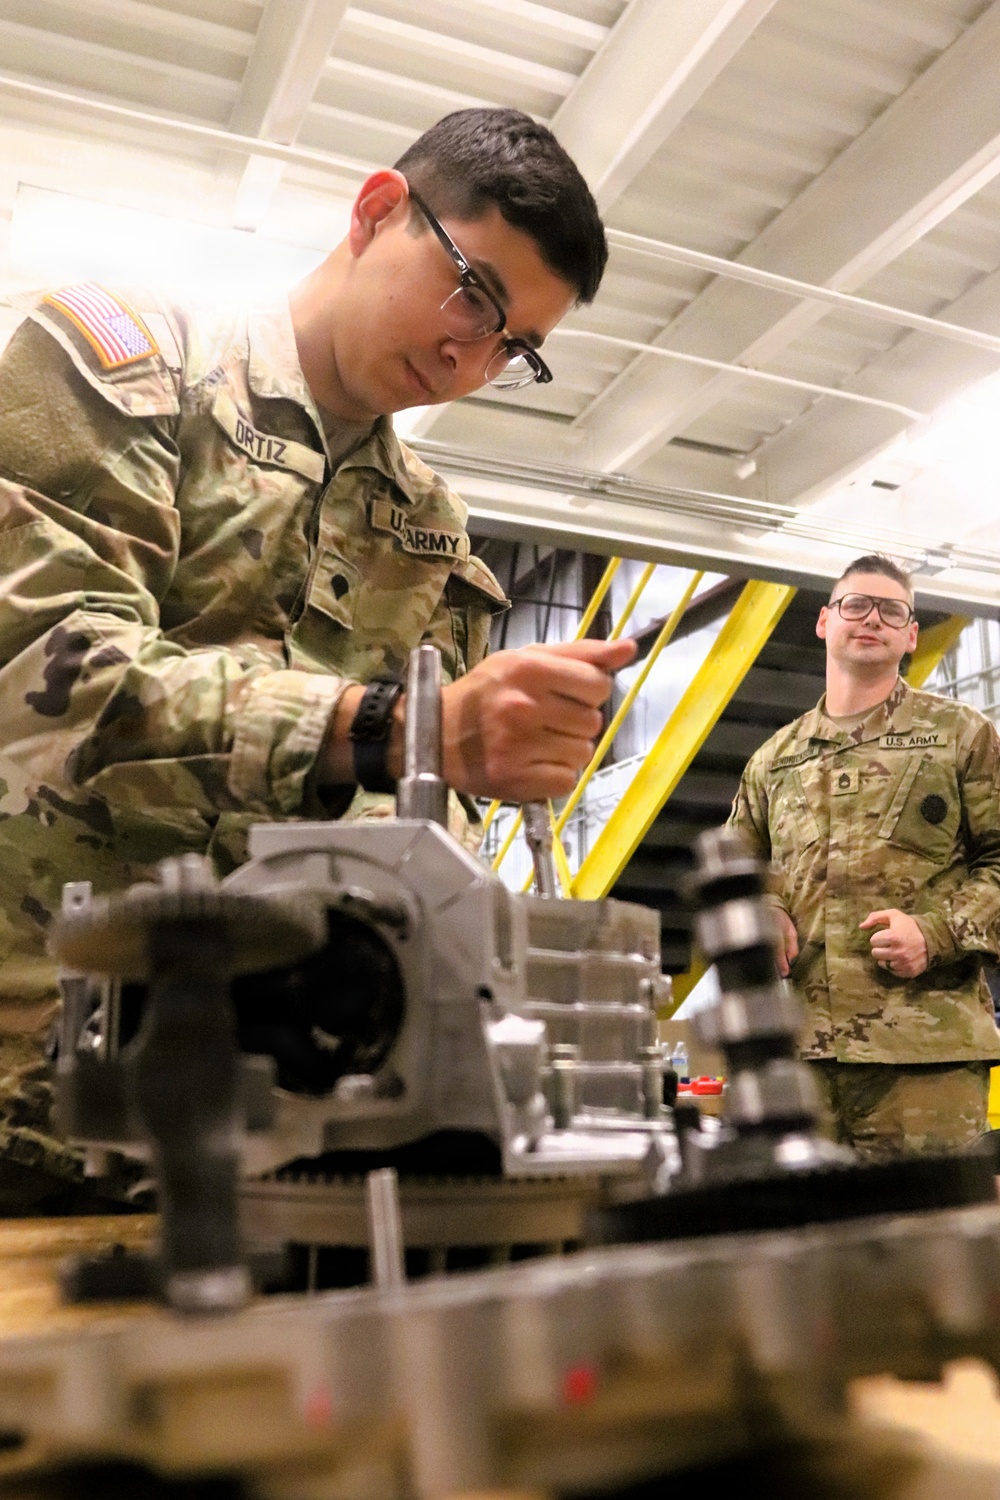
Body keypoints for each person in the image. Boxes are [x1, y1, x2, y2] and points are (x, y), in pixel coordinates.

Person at [0, 107, 635, 1207]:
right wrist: (387, 728)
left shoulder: (430, 527)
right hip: (31, 1071)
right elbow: (48, 679)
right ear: (377, 209)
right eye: (473, 293)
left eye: (512, 346)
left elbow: (396, 846)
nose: (469, 355)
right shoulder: (122, 366)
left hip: (280, 1125)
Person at [728, 554, 1000, 1159]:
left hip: (923, 1057)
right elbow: (735, 876)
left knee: (930, 1244)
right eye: (856, 604)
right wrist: (763, 909)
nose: (871, 618)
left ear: (910, 635)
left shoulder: (962, 736)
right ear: (825, 621)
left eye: (892, 610)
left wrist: (937, 934)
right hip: (800, 1058)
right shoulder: (774, 759)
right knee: (808, 1243)